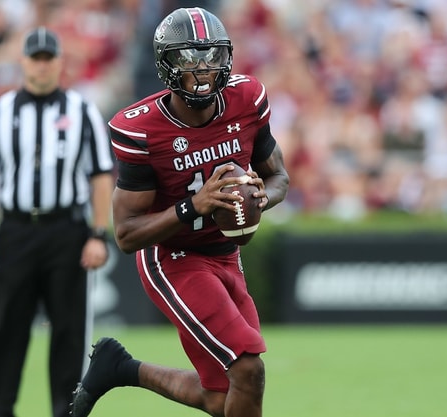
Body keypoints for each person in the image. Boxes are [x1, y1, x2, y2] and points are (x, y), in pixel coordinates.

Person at [70, 7, 289, 417]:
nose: (203, 69)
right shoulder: (141, 129)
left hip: (226, 255)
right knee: (247, 368)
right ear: (167, 65)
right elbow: (126, 234)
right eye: (189, 58)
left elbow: (279, 178)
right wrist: (194, 205)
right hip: (174, 258)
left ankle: (119, 368)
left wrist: (261, 196)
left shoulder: (246, 99)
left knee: (222, 394)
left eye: (212, 57)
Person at [0, 26, 115, 417]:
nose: (42, 65)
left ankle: (67, 413)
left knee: (68, 336)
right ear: (23, 62)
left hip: (66, 231)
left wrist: (98, 233)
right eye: (36, 58)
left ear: (60, 63)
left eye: (49, 58)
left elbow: (101, 176)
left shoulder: (82, 111)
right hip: (15, 231)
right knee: (6, 333)